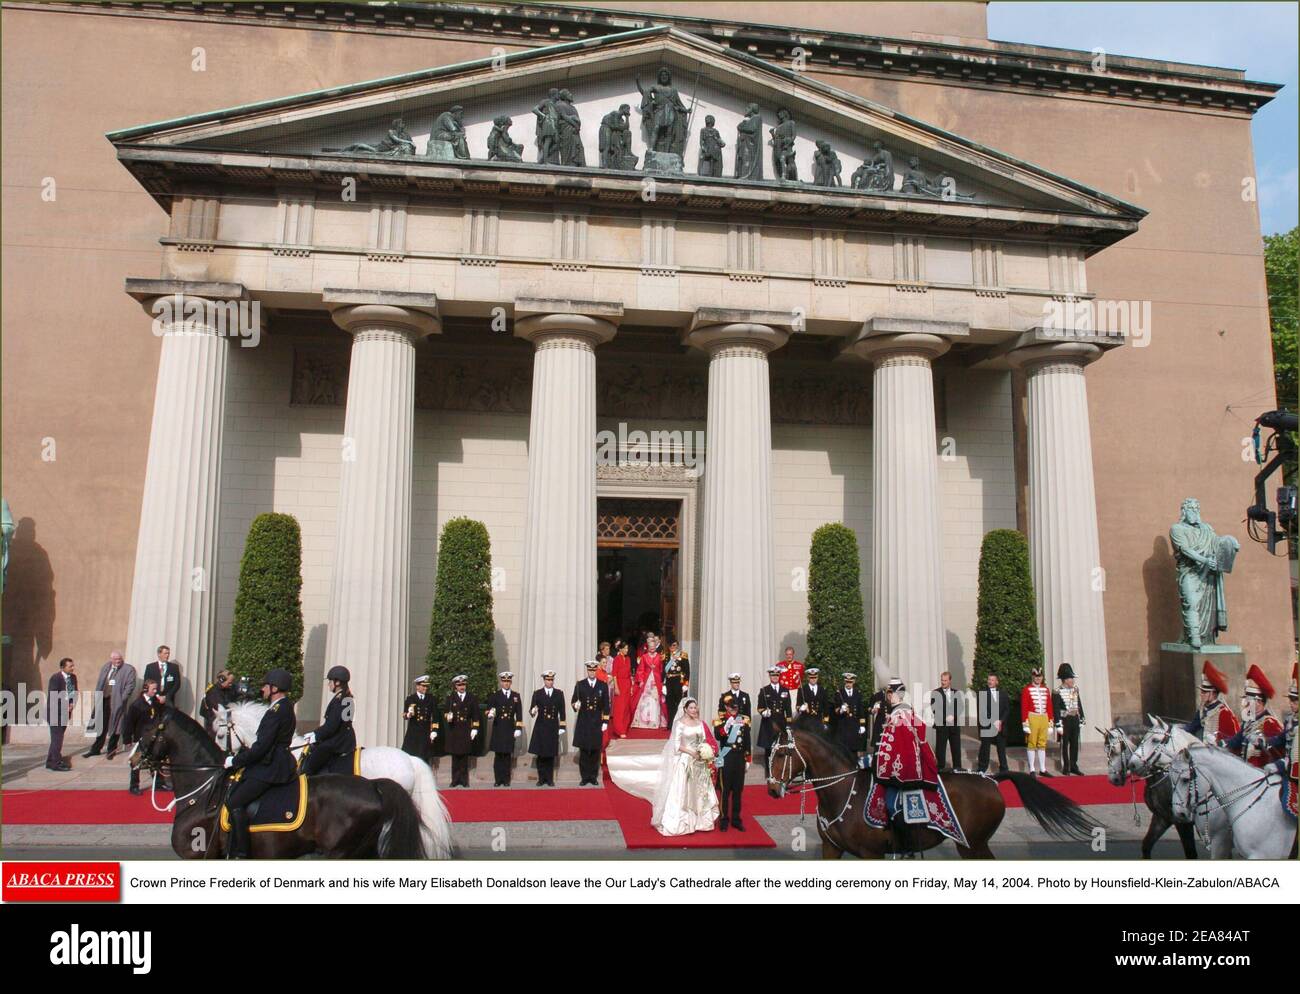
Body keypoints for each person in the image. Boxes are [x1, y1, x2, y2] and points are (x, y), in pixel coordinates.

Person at [222, 668, 297, 859]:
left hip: (272, 765)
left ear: (274, 688)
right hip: (274, 759)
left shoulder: (277, 711)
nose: (262, 689)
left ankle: (241, 853)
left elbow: (262, 747)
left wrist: (235, 760)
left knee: (235, 801)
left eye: (265, 685)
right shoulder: (282, 707)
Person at [873, 678, 939, 857]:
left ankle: (906, 844)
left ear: (896, 694)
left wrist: (880, 763)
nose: (888, 696)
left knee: (890, 804)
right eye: (888, 693)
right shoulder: (906, 712)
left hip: (902, 771)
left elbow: (895, 746)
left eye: (890, 693)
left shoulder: (899, 715)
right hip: (906, 767)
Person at [650, 699, 720, 836]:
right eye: (691, 708)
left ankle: (701, 822)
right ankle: (685, 822)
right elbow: (676, 745)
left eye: (695, 708)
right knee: (685, 792)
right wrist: (691, 752)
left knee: (700, 791)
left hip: (699, 761)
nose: (694, 710)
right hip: (686, 760)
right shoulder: (679, 724)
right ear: (685, 709)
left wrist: (704, 751)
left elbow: (704, 740)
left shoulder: (700, 723)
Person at [1225, 665, 1284, 768]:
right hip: (1246, 769)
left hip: (1262, 773)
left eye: (1248, 700)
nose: (1245, 704)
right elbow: (1236, 741)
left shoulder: (1269, 723)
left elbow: (1276, 752)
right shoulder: (1249, 721)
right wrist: (1221, 744)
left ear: (1258, 702)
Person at [300, 665, 355, 776]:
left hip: (338, 740)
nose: (328, 684)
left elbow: (331, 726)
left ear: (337, 682)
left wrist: (315, 735)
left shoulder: (340, 699)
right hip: (344, 737)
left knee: (312, 761)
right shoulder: (347, 696)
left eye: (330, 681)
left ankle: (307, 778)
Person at [85, 651, 136, 759]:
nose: (118, 661)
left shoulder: (128, 669)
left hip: (117, 701)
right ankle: (95, 749)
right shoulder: (106, 667)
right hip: (104, 699)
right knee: (101, 725)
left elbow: (130, 685)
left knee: (116, 725)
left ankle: (111, 751)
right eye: (115, 659)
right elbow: (100, 682)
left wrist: (122, 699)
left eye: (120, 659)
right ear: (111, 660)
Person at [714, 696, 751, 832]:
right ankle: (724, 819)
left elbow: (747, 740)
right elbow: (718, 736)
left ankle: (736, 819)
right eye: (731, 707)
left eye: (735, 707)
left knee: (737, 790)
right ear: (726, 707)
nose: (734, 709)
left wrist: (748, 759)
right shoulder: (721, 721)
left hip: (739, 758)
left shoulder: (743, 720)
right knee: (725, 790)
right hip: (727, 757)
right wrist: (727, 725)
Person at [1181, 660, 1240, 745]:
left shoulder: (1224, 712)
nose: (1201, 694)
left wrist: (1219, 743)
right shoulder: (1203, 709)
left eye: (1204, 692)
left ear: (1212, 693)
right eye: (1201, 691)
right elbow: (1192, 727)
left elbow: (1233, 738)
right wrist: (1177, 730)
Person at [572, 661, 611, 786]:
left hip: (596, 721)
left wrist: (605, 721)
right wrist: (575, 705)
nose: (592, 672)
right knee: (584, 750)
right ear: (587, 671)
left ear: (596, 670)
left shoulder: (602, 685)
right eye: (590, 670)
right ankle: (584, 776)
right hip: (584, 720)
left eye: (594, 670)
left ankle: (593, 776)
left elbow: (606, 704)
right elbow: (574, 701)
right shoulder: (580, 685)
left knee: (595, 750)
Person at [122, 677, 160, 795]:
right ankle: (134, 786)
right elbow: (129, 723)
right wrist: (127, 739)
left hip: (153, 737)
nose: (155, 691)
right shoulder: (137, 705)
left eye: (156, 689)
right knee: (136, 761)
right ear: (146, 689)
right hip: (140, 738)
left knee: (154, 760)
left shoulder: (155, 702)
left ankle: (158, 783)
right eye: (153, 689)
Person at [486, 671, 524, 787]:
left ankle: (506, 779)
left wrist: (518, 728)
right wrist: (490, 715)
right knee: (498, 756)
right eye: (504, 681)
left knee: (507, 756)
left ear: (511, 682)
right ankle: (498, 779)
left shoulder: (515, 696)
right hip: (498, 728)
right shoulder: (495, 696)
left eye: (508, 681)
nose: (506, 683)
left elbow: (519, 714)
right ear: (501, 682)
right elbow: (488, 710)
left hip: (509, 728)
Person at [528, 670, 565, 786]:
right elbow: (532, 711)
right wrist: (532, 711)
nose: (550, 682)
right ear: (544, 680)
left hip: (553, 726)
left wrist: (562, 725)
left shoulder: (559, 693)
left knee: (550, 754)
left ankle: (549, 779)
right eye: (548, 680)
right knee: (541, 754)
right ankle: (541, 778)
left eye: (551, 680)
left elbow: (562, 711)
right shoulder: (537, 693)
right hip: (541, 726)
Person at [443, 674, 481, 787]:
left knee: (464, 757)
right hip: (454, 730)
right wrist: (447, 717)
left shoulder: (471, 698)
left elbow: (476, 715)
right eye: (459, 685)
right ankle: (455, 780)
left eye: (463, 684)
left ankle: (464, 780)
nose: (461, 687)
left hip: (465, 730)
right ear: (455, 686)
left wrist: (475, 728)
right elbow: (445, 712)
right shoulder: (450, 698)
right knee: (455, 758)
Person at [756, 665, 791, 772]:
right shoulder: (764, 690)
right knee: (769, 748)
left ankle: (780, 769)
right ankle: (769, 769)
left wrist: (789, 724)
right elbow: (760, 707)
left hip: (781, 723)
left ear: (779, 676)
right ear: (770, 676)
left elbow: (788, 708)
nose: (775, 677)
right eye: (773, 675)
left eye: (777, 675)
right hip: (769, 722)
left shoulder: (785, 690)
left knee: (782, 746)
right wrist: (764, 712)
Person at [1052, 663, 1085, 775]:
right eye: (1070, 678)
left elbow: (1078, 703)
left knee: (1075, 743)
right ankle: (1066, 766)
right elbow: (1056, 709)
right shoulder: (1057, 691)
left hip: (1074, 718)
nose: (1072, 680)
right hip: (1064, 720)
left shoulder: (1075, 689)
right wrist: (1058, 724)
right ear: (1065, 680)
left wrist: (1082, 718)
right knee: (1064, 744)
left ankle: (1074, 765)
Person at [1020, 668, 1054, 776]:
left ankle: (1043, 769)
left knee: (1042, 744)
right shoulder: (1027, 689)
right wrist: (1025, 723)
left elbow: (1049, 706)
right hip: (1032, 717)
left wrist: (1050, 723)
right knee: (1031, 743)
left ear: (1042, 677)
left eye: (1039, 676)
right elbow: (1024, 707)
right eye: (1036, 676)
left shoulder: (1046, 689)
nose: (1038, 678)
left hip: (1044, 717)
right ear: (1032, 677)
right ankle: (1032, 769)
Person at [45, 657, 77, 771]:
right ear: (62, 667)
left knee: (57, 738)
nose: (73, 668)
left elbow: (74, 692)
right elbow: (54, 696)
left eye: (73, 666)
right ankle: (56, 763)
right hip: (55, 713)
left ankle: (50, 761)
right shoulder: (56, 678)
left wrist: (72, 703)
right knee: (57, 739)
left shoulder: (73, 678)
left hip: (65, 713)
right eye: (70, 666)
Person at [976, 671, 1010, 773]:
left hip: (1000, 725)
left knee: (1001, 748)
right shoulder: (982, 693)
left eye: (992, 680)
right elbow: (982, 711)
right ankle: (982, 768)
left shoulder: (1003, 694)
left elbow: (1007, 709)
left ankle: (1004, 769)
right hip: (987, 725)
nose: (990, 682)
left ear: (997, 682)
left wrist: (1000, 721)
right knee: (985, 748)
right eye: (989, 680)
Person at [930, 670, 963, 772]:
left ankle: (957, 768)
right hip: (942, 725)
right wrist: (945, 717)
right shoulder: (935, 692)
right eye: (942, 680)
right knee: (940, 750)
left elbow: (960, 706)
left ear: (950, 681)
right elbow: (935, 708)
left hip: (954, 725)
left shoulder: (956, 692)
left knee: (956, 748)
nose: (943, 682)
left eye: (945, 680)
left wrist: (954, 715)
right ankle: (940, 769)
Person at [631, 633, 666, 729]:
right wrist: (641, 680)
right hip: (646, 681)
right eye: (650, 647)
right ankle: (642, 722)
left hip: (656, 681)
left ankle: (654, 722)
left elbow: (662, 670)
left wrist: (662, 682)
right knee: (644, 700)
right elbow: (640, 669)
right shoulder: (644, 657)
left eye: (654, 646)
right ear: (648, 647)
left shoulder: (659, 656)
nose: (652, 648)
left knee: (655, 700)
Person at [402, 675, 438, 761]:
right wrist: (408, 715)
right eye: (423, 686)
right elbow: (404, 715)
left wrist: (434, 730)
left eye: (426, 686)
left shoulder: (431, 699)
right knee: (412, 758)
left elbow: (435, 716)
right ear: (417, 686)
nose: (425, 688)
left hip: (425, 732)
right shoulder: (411, 698)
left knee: (424, 758)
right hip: (413, 732)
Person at [830, 672, 867, 758]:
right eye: (847, 682)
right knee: (843, 752)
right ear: (844, 681)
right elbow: (835, 710)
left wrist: (862, 725)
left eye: (850, 682)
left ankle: (854, 768)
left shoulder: (858, 693)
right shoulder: (839, 693)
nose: (848, 684)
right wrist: (841, 710)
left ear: (853, 681)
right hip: (843, 726)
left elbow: (861, 710)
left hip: (854, 725)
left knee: (854, 751)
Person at [610, 640, 634, 738]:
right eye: (625, 648)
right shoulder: (617, 659)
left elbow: (630, 674)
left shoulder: (628, 659)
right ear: (620, 649)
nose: (627, 650)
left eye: (627, 648)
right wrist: (616, 687)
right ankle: (619, 729)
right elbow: (614, 674)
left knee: (627, 707)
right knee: (620, 707)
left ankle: (624, 727)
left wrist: (631, 687)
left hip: (627, 683)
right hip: (619, 683)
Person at [200, 669, 235, 736]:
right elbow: (220, 708)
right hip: (214, 726)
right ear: (222, 680)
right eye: (229, 682)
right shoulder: (213, 692)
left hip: (221, 724)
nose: (231, 684)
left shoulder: (226, 690)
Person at [663, 640, 690, 723]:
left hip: (679, 681)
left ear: (677, 646)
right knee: (669, 703)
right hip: (669, 682)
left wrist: (686, 684)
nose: (672, 647)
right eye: (670, 645)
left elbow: (687, 671)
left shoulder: (683, 655)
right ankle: (670, 723)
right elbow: (663, 671)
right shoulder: (666, 656)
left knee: (679, 702)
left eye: (674, 645)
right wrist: (663, 684)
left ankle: (680, 722)